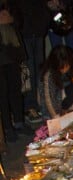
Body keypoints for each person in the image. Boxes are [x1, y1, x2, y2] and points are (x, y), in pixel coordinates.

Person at [20, 0, 51, 124]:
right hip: (25, 30)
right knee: (29, 70)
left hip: (38, 28)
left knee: (39, 69)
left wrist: (44, 22)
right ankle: (30, 106)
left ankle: (42, 104)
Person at [38, 45, 73, 119]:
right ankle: (64, 113)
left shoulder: (70, 65)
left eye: (67, 65)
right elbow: (48, 99)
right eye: (63, 66)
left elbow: (71, 83)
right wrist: (56, 117)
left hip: (63, 97)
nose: (66, 68)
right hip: (52, 107)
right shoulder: (48, 75)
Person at [0, 0, 27, 142]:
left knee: (15, 89)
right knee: (2, 94)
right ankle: (7, 128)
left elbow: (20, 19)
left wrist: (12, 18)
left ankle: (19, 123)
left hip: (12, 51)